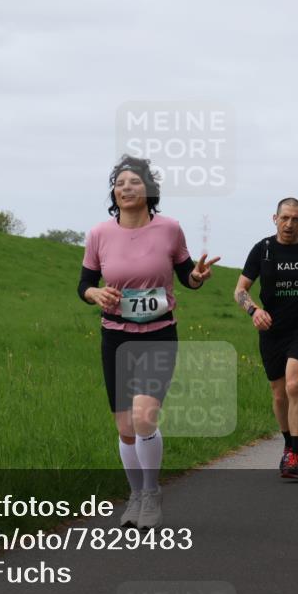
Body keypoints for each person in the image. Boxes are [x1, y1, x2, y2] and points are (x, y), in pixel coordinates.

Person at [78, 155, 220, 529]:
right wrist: (96, 295)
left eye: (135, 182)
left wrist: (199, 277)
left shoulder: (170, 229)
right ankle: (137, 495)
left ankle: (152, 493)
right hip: (115, 337)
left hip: (158, 333)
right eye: (120, 183)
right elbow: (84, 284)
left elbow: (188, 275)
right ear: (113, 191)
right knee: (125, 427)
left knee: (144, 415)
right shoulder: (99, 234)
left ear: (150, 190)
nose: (126, 188)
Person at [234, 198, 298, 479]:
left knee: (294, 384)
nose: (289, 224)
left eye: (295, 219)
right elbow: (240, 289)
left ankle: (296, 454)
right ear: (274, 218)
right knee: (278, 393)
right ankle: (289, 446)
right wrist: (254, 311)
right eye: (285, 218)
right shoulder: (263, 250)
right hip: (272, 329)